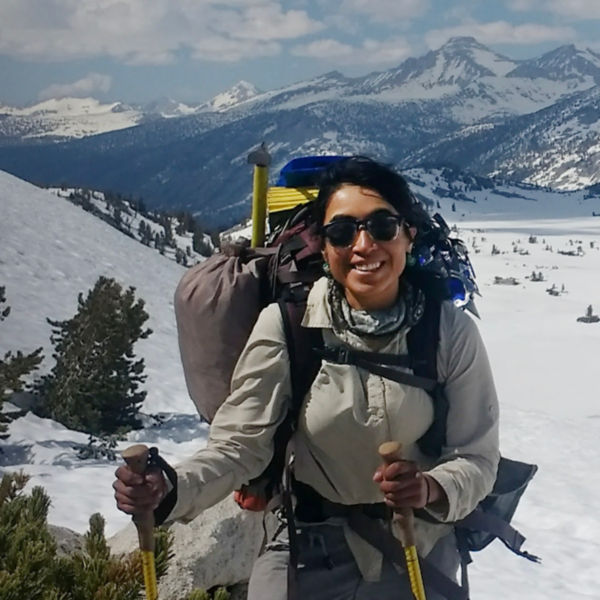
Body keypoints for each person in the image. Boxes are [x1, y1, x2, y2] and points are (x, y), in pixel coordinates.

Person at [114, 156, 500, 599]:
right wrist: (171, 488)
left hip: (420, 544)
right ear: (323, 245)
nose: (363, 244)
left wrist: (431, 487)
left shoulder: (447, 331)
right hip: (309, 546)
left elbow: (477, 456)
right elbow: (241, 445)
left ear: (408, 235)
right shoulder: (289, 325)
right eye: (341, 231)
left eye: (382, 226)